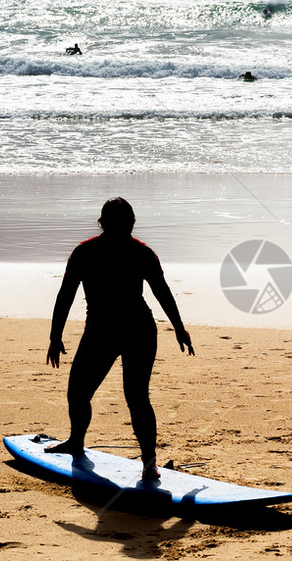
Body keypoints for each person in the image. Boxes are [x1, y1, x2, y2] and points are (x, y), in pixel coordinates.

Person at [45, 197, 194, 481]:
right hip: (132, 328)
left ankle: (142, 461)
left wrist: (178, 326)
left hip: (113, 330)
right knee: (101, 394)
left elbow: (161, 291)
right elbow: (66, 294)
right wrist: (178, 327)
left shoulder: (87, 252)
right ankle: (142, 462)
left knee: (106, 394)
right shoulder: (137, 252)